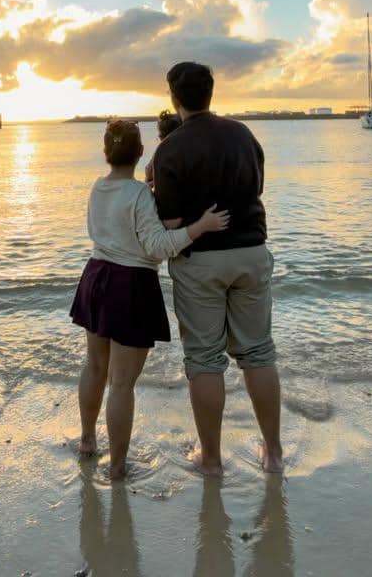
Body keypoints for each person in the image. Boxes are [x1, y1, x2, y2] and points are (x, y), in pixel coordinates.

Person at [70, 118, 228, 480]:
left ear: (105, 153)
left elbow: (118, 229)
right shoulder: (140, 194)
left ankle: (88, 441)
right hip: (130, 284)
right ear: (141, 153)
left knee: (94, 366)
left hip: (95, 276)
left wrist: (156, 217)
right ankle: (119, 466)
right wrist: (200, 226)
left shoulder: (98, 187)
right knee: (122, 383)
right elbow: (157, 248)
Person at [152, 61, 282, 476]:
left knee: (205, 359)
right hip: (251, 251)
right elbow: (257, 187)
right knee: (258, 351)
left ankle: (210, 458)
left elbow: (171, 225)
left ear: (175, 98)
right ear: (211, 93)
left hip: (200, 262)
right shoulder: (242, 134)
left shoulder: (170, 148)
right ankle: (274, 454)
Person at [144, 109, 182, 189]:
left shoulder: (161, 152)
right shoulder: (187, 150)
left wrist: (152, 183)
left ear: (162, 137)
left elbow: (148, 172)